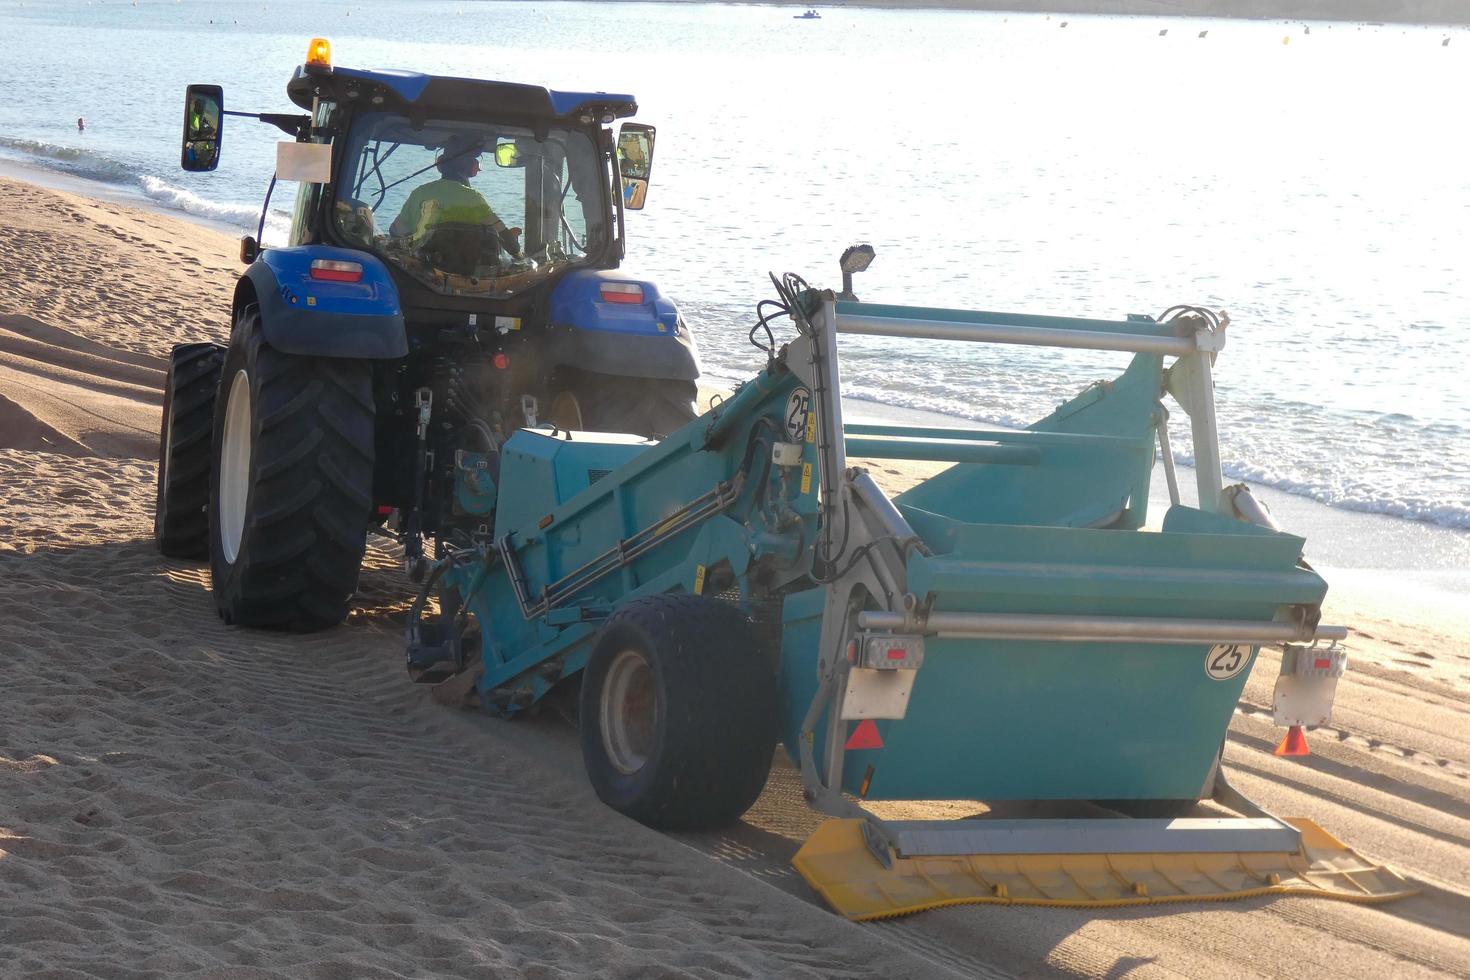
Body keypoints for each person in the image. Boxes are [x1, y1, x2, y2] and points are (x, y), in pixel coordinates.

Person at [390, 134, 521, 262]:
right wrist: (517, 252)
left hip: (420, 272)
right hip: (466, 273)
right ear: (473, 168)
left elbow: (396, 233)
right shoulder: (474, 199)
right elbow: (506, 239)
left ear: (440, 164)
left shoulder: (419, 193)